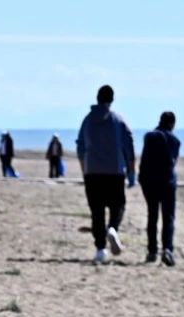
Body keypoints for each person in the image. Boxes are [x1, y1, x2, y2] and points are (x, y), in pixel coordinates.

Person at [76, 84, 135, 263]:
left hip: (92, 172)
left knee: (96, 211)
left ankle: (100, 249)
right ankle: (113, 228)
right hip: (114, 172)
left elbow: (80, 149)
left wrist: (84, 171)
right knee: (118, 205)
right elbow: (129, 147)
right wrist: (132, 172)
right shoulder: (117, 120)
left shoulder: (87, 121)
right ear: (112, 99)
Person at [139, 111, 181, 267]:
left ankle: (151, 251)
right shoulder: (175, 140)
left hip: (150, 182)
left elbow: (144, 159)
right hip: (167, 182)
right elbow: (173, 162)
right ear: (172, 124)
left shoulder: (149, 136)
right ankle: (167, 249)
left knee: (152, 216)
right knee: (168, 217)